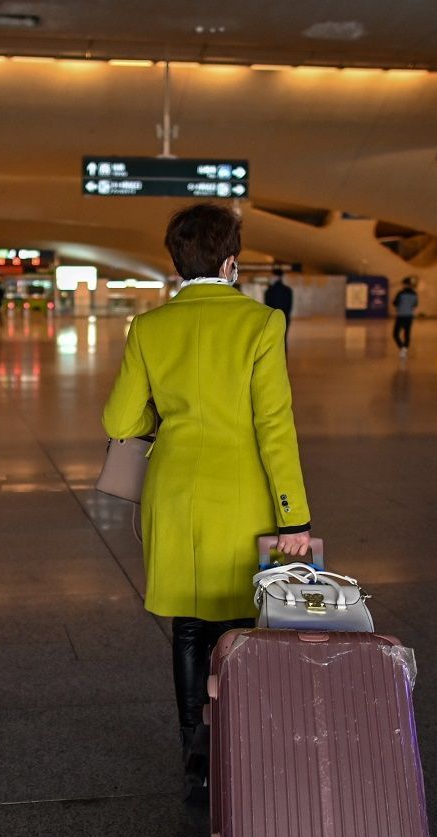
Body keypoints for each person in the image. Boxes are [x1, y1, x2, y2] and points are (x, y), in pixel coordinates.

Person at [102, 203, 312, 800]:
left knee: (189, 624)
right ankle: (240, 745)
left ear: (175, 261)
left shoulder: (148, 328)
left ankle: (194, 750)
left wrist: (165, 414)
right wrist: (293, 514)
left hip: (173, 495)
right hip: (240, 497)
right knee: (242, 624)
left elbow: (119, 418)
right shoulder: (261, 324)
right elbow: (274, 424)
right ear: (231, 261)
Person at [263, 268, 293, 353]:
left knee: (273, 341)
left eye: (272, 276)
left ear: (276, 277)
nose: (270, 277)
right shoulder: (288, 290)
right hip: (285, 318)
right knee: (283, 339)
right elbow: (289, 306)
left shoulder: (269, 291)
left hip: (272, 319)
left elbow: (267, 307)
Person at [391, 277, 419, 357]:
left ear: (406, 284)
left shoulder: (400, 293)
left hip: (401, 316)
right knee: (407, 334)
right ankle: (405, 349)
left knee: (395, 334)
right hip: (409, 316)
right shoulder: (414, 294)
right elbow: (415, 304)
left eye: (403, 284)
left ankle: (402, 347)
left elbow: (395, 303)